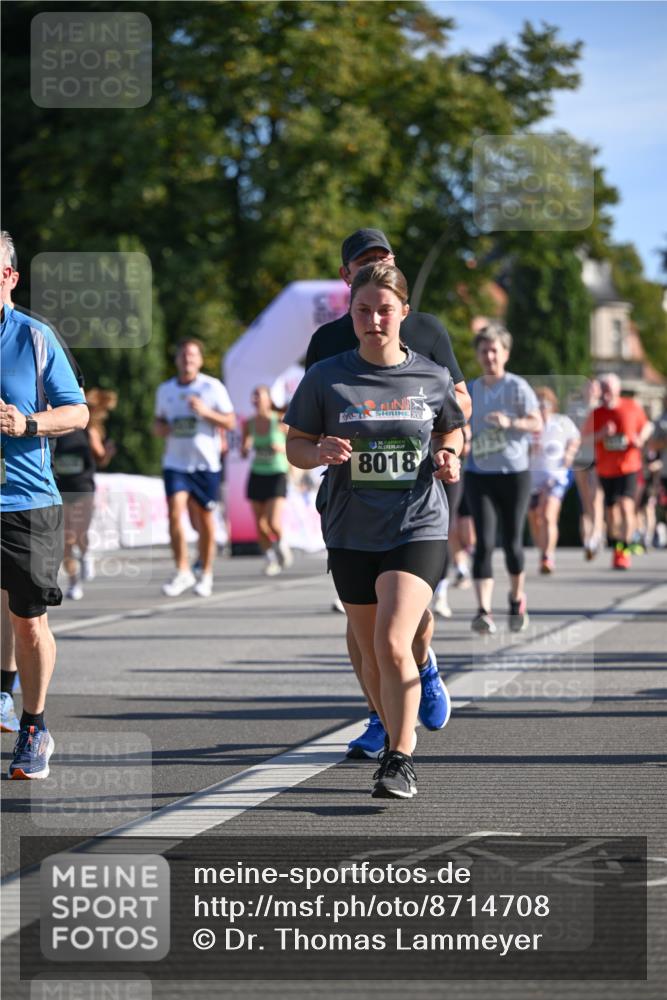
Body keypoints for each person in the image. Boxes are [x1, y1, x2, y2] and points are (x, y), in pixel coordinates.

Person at [286, 263, 464, 799]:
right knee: (367, 652)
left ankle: (399, 757)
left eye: (384, 310)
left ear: (403, 313)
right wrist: (316, 452)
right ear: (352, 313)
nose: (373, 320)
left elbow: (452, 426)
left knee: (391, 641)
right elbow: (294, 443)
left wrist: (450, 454)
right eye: (363, 310)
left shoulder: (430, 376)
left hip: (418, 523)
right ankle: (393, 729)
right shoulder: (326, 377)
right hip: (349, 528)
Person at [1, 230, 89, 778]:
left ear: (8, 277)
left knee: (27, 621)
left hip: (26, 500)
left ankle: (35, 725)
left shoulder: (34, 337)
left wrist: (26, 422)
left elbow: (77, 412)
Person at [464, 322, 542, 634]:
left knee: (511, 542)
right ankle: (483, 610)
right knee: (483, 543)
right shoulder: (470, 389)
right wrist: (464, 437)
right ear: (478, 355)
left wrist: (510, 422)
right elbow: (459, 423)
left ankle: (516, 598)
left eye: (494, 350)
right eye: (484, 351)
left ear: (505, 354)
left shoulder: (517, 387)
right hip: (478, 473)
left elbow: (537, 422)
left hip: (514, 473)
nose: (489, 356)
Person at [154, 338, 236, 597]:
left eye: (192, 356)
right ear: (177, 360)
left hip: (205, 463)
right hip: (175, 463)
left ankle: (206, 573)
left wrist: (204, 412)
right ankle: (182, 570)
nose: (187, 360)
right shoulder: (165, 390)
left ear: (199, 360)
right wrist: (163, 428)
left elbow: (230, 422)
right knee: (174, 512)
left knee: (204, 519)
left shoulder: (212, 387)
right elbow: (157, 424)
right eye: (183, 355)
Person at [582, 374, 652, 570]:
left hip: (629, 466)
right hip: (606, 469)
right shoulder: (597, 413)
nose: (605, 395)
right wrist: (602, 434)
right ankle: (616, 544)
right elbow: (584, 438)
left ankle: (623, 551)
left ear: (617, 390)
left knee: (626, 505)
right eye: (603, 390)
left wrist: (640, 437)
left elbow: (646, 425)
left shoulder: (631, 406)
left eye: (609, 390)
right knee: (611, 513)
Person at [54, 388, 117, 599]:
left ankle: (86, 554)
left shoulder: (88, 430)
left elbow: (100, 458)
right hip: (61, 487)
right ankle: (74, 582)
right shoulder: (54, 429)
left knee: (79, 533)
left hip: (82, 488)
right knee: (65, 538)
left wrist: (106, 453)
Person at [527, 386, 580, 574]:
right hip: (532, 480)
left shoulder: (562, 422)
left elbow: (575, 438)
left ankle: (548, 556)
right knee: (535, 519)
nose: (542, 407)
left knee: (548, 515)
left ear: (552, 405)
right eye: (538, 403)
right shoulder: (529, 425)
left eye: (545, 403)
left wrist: (569, 453)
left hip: (555, 476)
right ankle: (542, 550)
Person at [241, 385, 292, 576]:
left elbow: (296, 444)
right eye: (253, 396)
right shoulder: (249, 423)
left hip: (277, 473)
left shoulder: (279, 420)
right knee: (259, 524)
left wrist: (281, 447)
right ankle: (270, 558)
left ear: (268, 400)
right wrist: (245, 448)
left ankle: (281, 543)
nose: (255, 399)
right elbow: (243, 449)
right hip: (257, 473)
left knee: (273, 523)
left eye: (259, 396)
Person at [568, 379, 605, 560]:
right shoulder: (575, 408)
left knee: (596, 496)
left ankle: (596, 534)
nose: (591, 390)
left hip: (598, 457)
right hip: (581, 457)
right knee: (585, 499)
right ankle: (588, 537)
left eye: (595, 388)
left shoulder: (602, 408)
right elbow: (570, 432)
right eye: (588, 387)